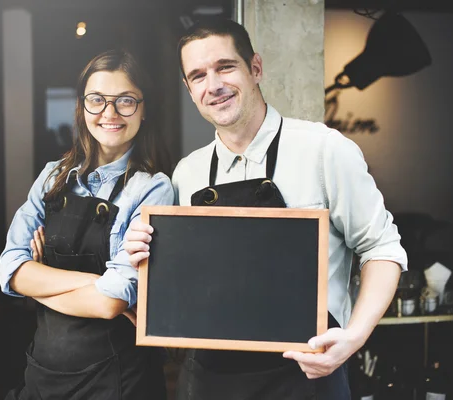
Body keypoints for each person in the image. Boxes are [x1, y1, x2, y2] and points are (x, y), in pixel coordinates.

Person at [124, 18, 407, 400]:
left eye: (225, 67)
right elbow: (184, 278)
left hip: (306, 373)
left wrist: (354, 337)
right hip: (207, 377)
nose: (214, 85)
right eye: (198, 76)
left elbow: (382, 248)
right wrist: (145, 252)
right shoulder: (186, 173)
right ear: (189, 90)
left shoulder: (324, 150)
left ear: (255, 68)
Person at [0, 49, 173, 400]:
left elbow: (112, 301)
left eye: (125, 100)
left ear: (144, 109)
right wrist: (94, 283)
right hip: (43, 372)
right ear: (81, 107)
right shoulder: (52, 176)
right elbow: (10, 271)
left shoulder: (153, 187)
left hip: (116, 379)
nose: (109, 113)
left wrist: (40, 278)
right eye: (97, 100)